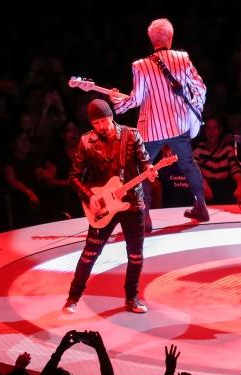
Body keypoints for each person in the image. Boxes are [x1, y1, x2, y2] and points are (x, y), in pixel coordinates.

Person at [109, 17, 209, 231]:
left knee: (143, 170)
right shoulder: (182, 58)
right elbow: (200, 88)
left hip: (151, 129)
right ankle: (201, 205)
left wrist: (117, 103)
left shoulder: (140, 65)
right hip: (179, 125)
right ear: (170, 38)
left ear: (151, 39)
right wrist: (193, 111)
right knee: (188, 163)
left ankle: (145, 217)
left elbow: (137, 99)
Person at [62, 99, 156, 314]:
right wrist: (89, 196)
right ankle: (72, 298)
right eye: (96, 123)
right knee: (89, 254)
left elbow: (144, 163)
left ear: (112, 118)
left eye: (104, 121)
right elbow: (74, 176)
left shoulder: (131, 136)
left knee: (135, 256)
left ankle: (132, 298)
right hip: (101, 205)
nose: (101, 127)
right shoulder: (86, 141)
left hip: (131, 203)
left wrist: (150, 170)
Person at [192, 116, 241, 204]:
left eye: (214, 128)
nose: (211, 132)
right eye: (208, 128)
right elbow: (194, 168)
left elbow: (235, 168)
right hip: (206, 188)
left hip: (224, 189)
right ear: (204, 131)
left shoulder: (228, 148)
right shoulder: (198, 149)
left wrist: (240, 186)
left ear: (220, 131)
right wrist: (204, 183)